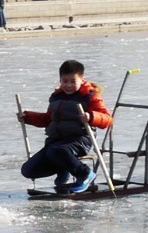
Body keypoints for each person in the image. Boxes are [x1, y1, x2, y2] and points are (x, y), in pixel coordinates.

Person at [17, 59, 112, 194]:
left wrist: (91, 117)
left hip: (80, 140)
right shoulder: (57, 97)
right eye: (65, 81)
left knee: (55, 151)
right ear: (60, 80)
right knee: (28, 170)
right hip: (56, 142)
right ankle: (64, 167)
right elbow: (48, 119)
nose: (68, 85)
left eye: (73, 81)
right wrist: (27, 117)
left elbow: (108, 119)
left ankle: (85, 174)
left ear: (82, 79)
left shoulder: (90, 97)